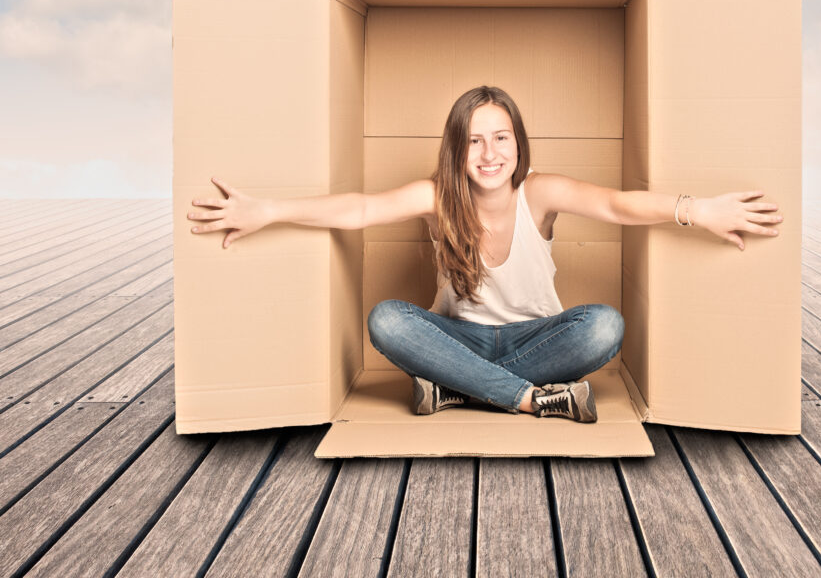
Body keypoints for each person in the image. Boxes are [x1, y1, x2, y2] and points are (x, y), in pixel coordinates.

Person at [187, 85, 783, 423]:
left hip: (539, 340)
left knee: (605, 326)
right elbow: (358, 210)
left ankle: (459, 392)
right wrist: (267, 210)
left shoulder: (540, 193)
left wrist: (698, 209)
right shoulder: (437, 198)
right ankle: (525, 399)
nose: (489, 153)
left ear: (518, 145)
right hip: (457, 340)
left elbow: (619, 207)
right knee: (387, 319)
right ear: (457, 149)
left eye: (501, 138)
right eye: (473, 140)